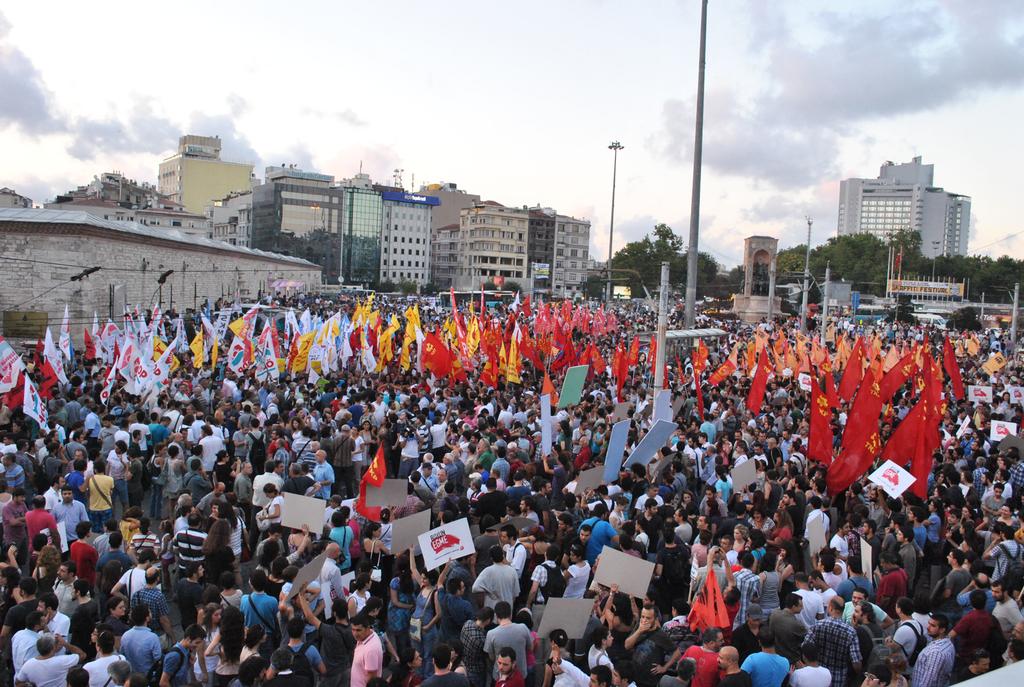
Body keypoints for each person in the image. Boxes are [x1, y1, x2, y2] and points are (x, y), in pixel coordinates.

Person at [804, 597, 862, 687]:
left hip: (818, 674)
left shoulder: (817, 625)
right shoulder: (850, 632)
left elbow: (806, 646)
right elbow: (856, 662)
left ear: (830, 608)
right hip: (838, 678)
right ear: (843, 611)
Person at [483, 602, 531, 682]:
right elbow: (530, 648)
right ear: (511, 614)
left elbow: (491, 657)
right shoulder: (523, 628)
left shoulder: (491, 634)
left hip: (500, 676)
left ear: (496, 616)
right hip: (520, 675)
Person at [14, 633, 86, 687]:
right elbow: (82, 655)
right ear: (53, 648)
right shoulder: (62, 661)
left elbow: (18, 683)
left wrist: (29, 685)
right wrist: (65, 644)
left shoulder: (28, 664)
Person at [911, 615, 956, 687]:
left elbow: (928, 682)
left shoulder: (936, 653)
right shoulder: (947, 642)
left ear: (942, 630)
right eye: (929, 623)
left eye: (933, 625)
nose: (928, 627)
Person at [120, 604, 162, 675]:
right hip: (148, 674)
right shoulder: (152, 637)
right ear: (147, 618)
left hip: (133, 674)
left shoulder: (125, 635)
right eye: (150, 612)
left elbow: (122, 654)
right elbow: (158, 658)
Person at [351, 613, 384, 687]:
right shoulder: (367, 635)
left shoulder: (370, 650)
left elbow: (372, 679)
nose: (355, 633)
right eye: (353, 629)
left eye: (358, 630)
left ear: (368, 628)